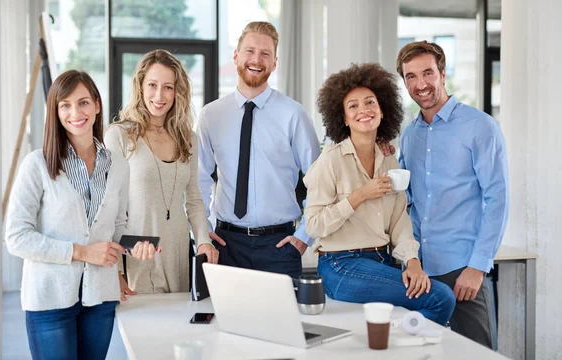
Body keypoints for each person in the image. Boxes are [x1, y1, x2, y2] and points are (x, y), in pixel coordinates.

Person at [5, 70, 157, 360]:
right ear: (56, 111)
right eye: (65, 105)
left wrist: (134, 247)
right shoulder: (37, 164)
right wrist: (81, 252)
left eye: (83, 102)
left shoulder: (118, 167)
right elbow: (16, 238)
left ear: (97, 105)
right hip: (49, 300)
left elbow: (116, 226)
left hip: (100, 297)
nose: (76, 112)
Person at [303, 63, 455, 325]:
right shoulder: (330, 160)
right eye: (353, 106)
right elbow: (314, 225)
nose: (363, 110)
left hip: (381, 260)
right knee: (440, 297)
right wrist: (359, 195)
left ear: (382, 110)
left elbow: (399, 221)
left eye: (370, 102)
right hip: (341, 265)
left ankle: (393, 345)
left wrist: (412, 262)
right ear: (343, 118)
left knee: (431, 292)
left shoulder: (389, 161)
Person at [393, 41, 509, 346]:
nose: (421, 84)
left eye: (428, 73)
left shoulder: (479, 126)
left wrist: (477, 267)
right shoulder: (410, 135)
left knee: (474, 352)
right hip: (419, 272)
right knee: (421, 351)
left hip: (462, 270)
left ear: (443, 74)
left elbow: (497, 199)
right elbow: (406, 201)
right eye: (411, 77)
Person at [197, 21, 321, 279]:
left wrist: (303, 237)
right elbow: (198, 180)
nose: (256, 59)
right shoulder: (211, 115)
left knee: (281, 320)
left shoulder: (293, 114)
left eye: (265, 53)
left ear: (274, 63)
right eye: (249, 51)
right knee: (225, 320)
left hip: (280, 247)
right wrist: (201, 233)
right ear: (236, 56)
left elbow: (320, 182)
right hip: (225, 245)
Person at [105, 49, 218, 298]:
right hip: (137, 257)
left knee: (178, 333)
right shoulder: (119, 135)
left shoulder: (188, 139)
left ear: (177, 92)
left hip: (178, 256)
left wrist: (203, 240)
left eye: (168, 87)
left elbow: (194, 199)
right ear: (140, 87)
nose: (159, 95)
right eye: (152, 85)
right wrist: (116, 271)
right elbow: (108, 210)